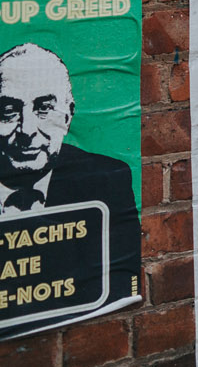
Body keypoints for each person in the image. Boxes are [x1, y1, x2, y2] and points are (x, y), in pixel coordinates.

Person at [0, 44, 140, 304]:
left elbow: (118, 281)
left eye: (43, 108)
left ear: (67, 117)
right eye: (8, 111)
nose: (26, 130)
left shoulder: (108, 181)